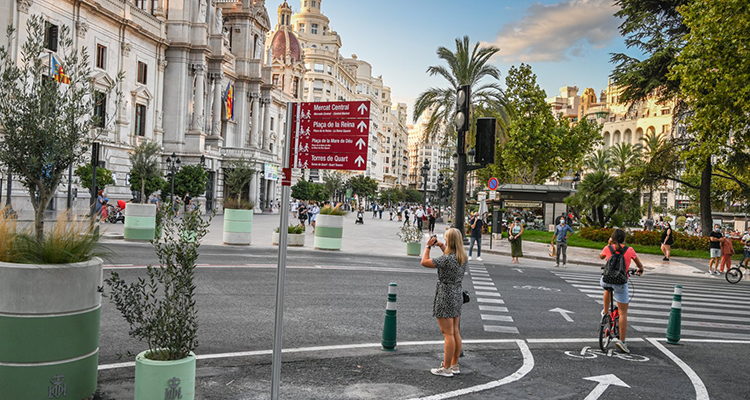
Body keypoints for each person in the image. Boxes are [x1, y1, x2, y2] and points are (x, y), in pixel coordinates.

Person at [422, 228, 467, 377]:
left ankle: (446, 368)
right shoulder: (462, 257)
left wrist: (428, 246)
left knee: (447, 334)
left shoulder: (447, 259)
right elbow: (448, 254)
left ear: (450, 241)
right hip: (457, 294)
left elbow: (425, 262)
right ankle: (454, 365)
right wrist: (440, 245)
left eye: (446, 239)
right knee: (455, 332)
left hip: (445, 295)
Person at [599, 228, 644, 354]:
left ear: (612, 238)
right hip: (621, 282)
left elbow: (601, 256)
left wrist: (608, 245)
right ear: (624, 239)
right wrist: (640, 270)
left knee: (607, 287)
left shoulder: (609, 248)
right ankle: (622, 342)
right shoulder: (629, 250)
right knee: (623, 313)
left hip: (606, 279)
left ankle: (605, 312)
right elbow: (640, 265)